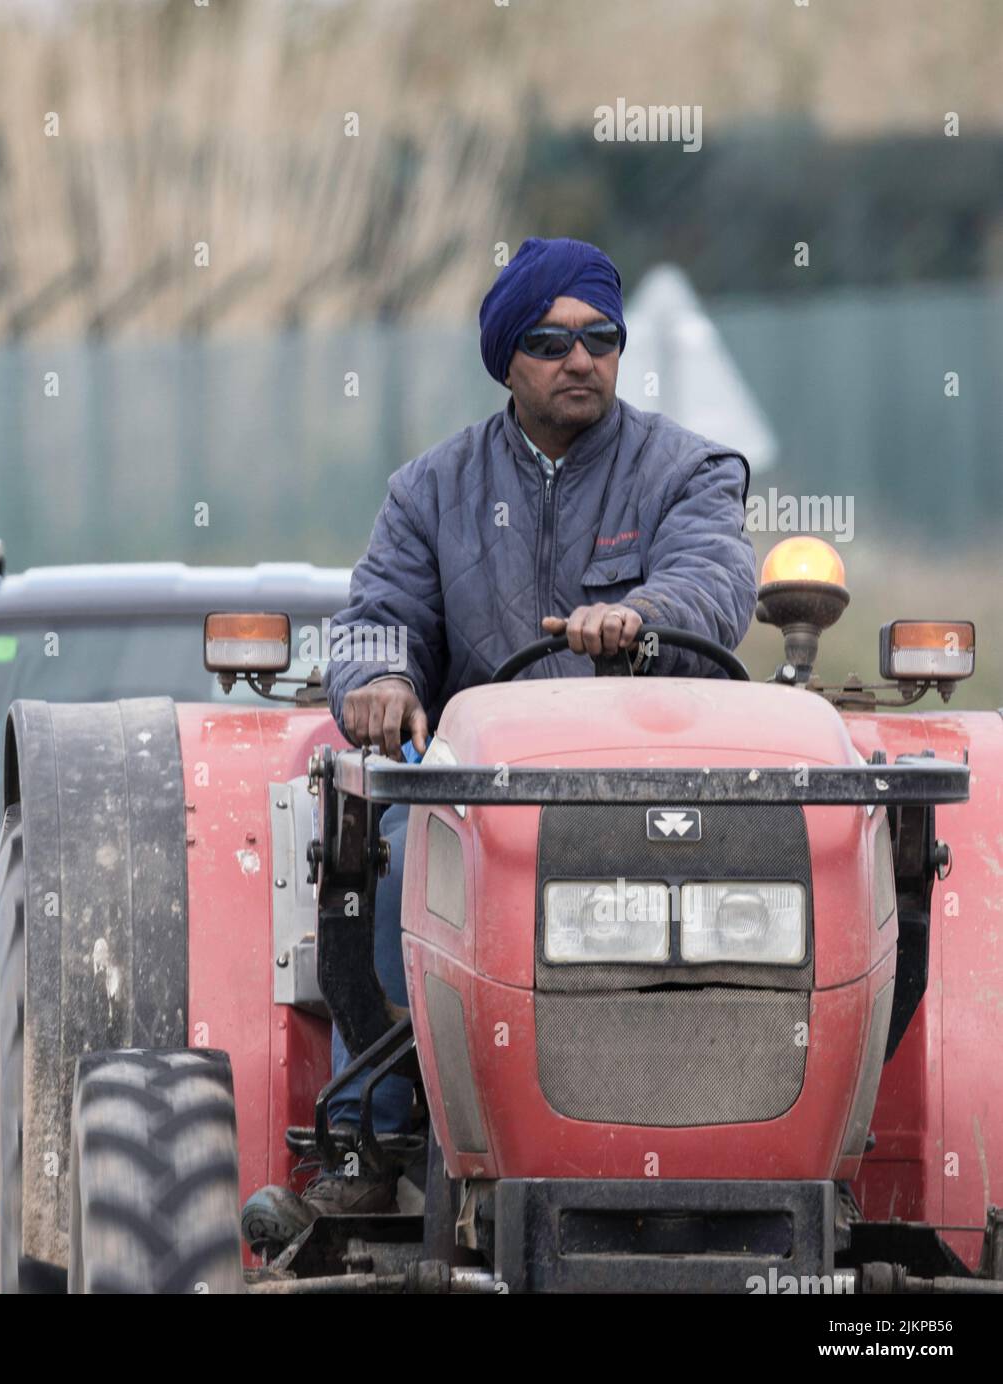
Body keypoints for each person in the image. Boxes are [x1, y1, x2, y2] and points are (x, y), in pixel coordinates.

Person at [240, 236, 758, 1256]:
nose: (581, 359)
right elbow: (375, 616)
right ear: (506, 360)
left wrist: (645, 613)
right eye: (550, 340)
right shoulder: (429, 492)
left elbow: (715, 582)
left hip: (654, 796)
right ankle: (377, 1139)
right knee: (380, 852)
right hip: (480, 808)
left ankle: (737, 1120)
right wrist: (380, 681)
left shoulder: (689, 470)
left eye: (600, 337)